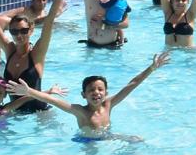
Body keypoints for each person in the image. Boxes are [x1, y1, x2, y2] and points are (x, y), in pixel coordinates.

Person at [9, 52, 170, 139]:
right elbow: (52, 100)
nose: (96, 93)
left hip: (107, 136)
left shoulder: (109, 104)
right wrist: (29, 91)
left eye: (100, 89)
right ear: (83, 95)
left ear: (106, 93)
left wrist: (152, 68)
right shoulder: (80, 111)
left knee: (137, 140)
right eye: (91, 90)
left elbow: (131, 85)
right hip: (86, 141)